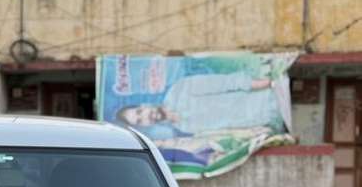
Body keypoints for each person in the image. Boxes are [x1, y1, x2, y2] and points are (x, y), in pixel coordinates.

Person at [116, 72, 283, 140]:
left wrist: (270, 84)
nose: (145, 116)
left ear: (144, 105)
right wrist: (257, 131)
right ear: (145, 126)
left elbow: (225, 83)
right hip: (267, 120)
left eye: (139, 111)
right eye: (140, 120)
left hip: (269, 98)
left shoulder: (180, 90)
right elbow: (223, 132)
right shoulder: (184, 128)